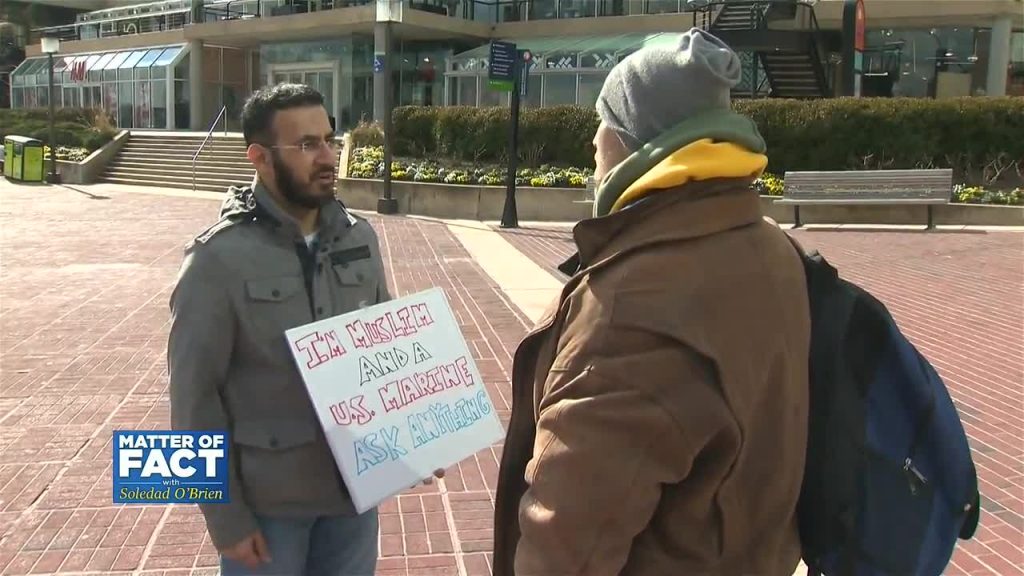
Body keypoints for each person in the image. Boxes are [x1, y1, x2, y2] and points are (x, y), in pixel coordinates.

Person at [492, 29, 811, 576]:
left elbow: (566, 544)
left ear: (629, 139)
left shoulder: (631, 306)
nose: (593, 141)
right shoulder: (771, 247)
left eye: (603, 123)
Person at [168, 83, 440, 576]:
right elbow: (193, 402)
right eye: (307, 145)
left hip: (353, 502)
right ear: (259, 157)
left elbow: (387, 355)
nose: (328, 156)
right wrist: (224, 519)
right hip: (269, 511)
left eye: (329, 140)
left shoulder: (360, 238)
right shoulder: (216, 260)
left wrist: (420, 434)